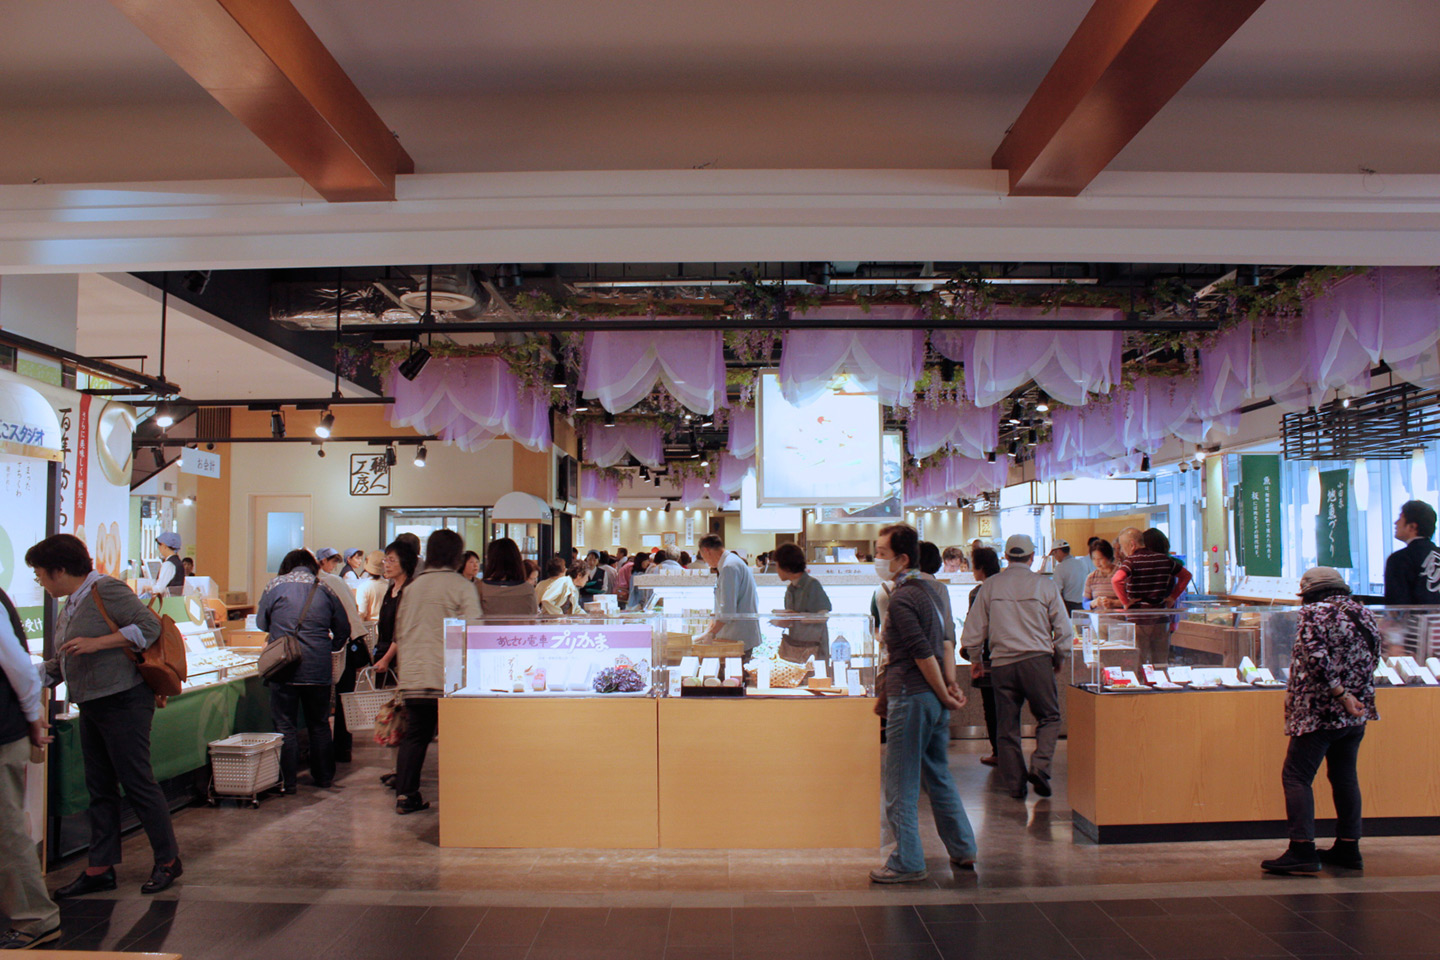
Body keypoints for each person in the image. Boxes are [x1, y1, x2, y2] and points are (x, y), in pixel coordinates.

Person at [24, 534, 180, 897]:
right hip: (93, 701)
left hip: (123, 700)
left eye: (41, 575)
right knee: (100, 787)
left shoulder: (105, 589)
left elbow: (149, 627)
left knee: (137, 781)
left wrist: (98, 643)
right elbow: (67, 656)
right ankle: (100, 867)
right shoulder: (73, 601)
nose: (40, 582)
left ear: (60, 570)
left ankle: (168, 860)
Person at [870, 523, 973, 883]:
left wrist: (946, 691)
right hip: (929, 699)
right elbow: (944, 643)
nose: (877, 560)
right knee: (937, 773)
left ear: (902, 558)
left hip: (911, 697)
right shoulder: (932, 591)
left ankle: (908, 860)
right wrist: (947, 687)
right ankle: (963, 847)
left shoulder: (901, 598)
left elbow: (919, 653)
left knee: (900, 782)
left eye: (881, 554)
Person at [1261, 567, 1380, 875]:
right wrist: (1353, 697)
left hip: (1319, 711)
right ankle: (1349, 846)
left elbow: (1315, 659)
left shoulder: (1314, 614)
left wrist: (1340, 694)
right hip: (1356, 711)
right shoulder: (1362, 612)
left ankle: (1302, 848)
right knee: (1344, 776)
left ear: (1310, 593)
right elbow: (1375, 655)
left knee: (1297, 776)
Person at [961, 534, 1070, 801]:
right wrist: (1058, 658)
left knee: (1006, 727)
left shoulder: (991, 586)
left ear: (1006, 557)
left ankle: (1016, 785)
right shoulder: (1044, 586)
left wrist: (975, 659)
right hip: (1037, 661)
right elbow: (1064, 631)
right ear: (1032, 558)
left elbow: (973, 630)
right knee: (1050, 717)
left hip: (1002, 665)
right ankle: (1041, 768)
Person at [391, 530, 482, 814]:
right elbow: (473, 630)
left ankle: (405, 795)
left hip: (415, 674)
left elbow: (401, 630)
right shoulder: (460, 586)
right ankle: (462, 791)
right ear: (457, 555)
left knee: (415, 735)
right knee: (458, 736)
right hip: (449, 675)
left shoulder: (414, 586)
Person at [256, 549, 350, 793]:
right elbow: (343, 628)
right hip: (318, 665)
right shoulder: (326, 588)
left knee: (285, 725)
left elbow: (261, 623)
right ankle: (324, 778)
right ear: (312, 566)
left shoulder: (274, 586)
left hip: (283, 666)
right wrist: (330, 647)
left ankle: (288, 782)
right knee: (318, 723)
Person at [0, 587, 60, 948]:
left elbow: (19, 665)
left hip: (3, 734)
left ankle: (37, 918)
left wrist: (31, 714)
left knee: (5, 831)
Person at [315, 547, 369, 764]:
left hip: (333, 647)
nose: (333, 565)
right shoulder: (336, 581)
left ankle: (323, 751)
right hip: (348, 643)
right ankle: (342, 749)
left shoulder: (321, 583)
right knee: (344, 698)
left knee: (324, 701)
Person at [1111, 527, 1192, 664]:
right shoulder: (1164, 560)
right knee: (1160, 662)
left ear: (1132, 544)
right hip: (1161, 618)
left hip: (1138, 620)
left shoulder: (1131, 562)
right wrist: (1172, 597)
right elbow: (1186, 575)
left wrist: (1125, 602)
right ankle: (1160, 684)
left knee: (1138, 662)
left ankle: (1141, 684)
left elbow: (1116, 579)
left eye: (1123, 547)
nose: (1123, 552)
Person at [370, 539, 418, 707]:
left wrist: (386, 658)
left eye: (392, 560)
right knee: (385, 711)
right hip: (384, 654)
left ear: (405, 563)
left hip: (399, 660)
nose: (386, 565)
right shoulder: (390, 590)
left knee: (399, 711)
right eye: (385, 560)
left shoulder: (410, 590)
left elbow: (402, 631)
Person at [967, 546, 1003, 767]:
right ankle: (1009, 750)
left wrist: (973, 656)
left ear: (980, 568)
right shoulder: (1008, 586)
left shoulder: (978, 593)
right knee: (1008, 705)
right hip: (1011, 652)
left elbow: (975, 627)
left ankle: (998, 752)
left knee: (990, 705)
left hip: (989, 654)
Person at [696, 534, 761, 651]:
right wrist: (709, 630)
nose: (705, 561)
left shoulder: (728, 567)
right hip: (737, 636)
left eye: (703, 557)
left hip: (737, 637)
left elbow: (728, 610)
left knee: (735, 669)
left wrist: (710, 634)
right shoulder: (731, 562)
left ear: (706, 551)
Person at [773, 542, 831, 660]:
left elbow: (823, 616)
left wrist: (796, 616)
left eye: (777, 565)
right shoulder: (790, 589)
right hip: (796, 648)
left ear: (787, 566)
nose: (777, 570)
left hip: (814, 650)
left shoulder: (812, 585)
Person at [1383, 500, 1440, 605]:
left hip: (1413, 621)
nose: (1395, 523)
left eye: (1400, 518)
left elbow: (1397, 608)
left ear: (1412, 527)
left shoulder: (1399, 559)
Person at [477, 538, 539, 616]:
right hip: (520, 628)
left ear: (491, 560)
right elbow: (532, 618)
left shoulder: (481, 588)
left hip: (487, 628)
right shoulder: (528, 589)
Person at [1049, 541, 1088, 615]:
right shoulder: (1082, 563)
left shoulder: (1060, 567)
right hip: (1084, 604)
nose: (1055, 557)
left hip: (1069, 606)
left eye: (1054, 554)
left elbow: (1056, 591)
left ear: (1059, 551)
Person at [1084, 539, 1122, 611]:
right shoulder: (1091, 577)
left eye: (1100, 559)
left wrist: (1113, 602)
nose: (1097, 562)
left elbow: (1129, 601)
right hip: (1098, 619)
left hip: (1118, 619)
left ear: (1109, 557)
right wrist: (1093, 603)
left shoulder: (1121, 573)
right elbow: (1084, 603)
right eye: (1094, 559)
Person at [355, 550, 389, 622]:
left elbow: (362, 612)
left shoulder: (364, 587)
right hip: (388, 626)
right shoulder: (389, 585)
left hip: (371, 628)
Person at [151, 531, 184, 597]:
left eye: (159, 545)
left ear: (164, 546)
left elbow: (159, 589)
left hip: (167, 603)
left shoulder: (168, 564)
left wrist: (147, 588)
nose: (159, 548)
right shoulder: (178, 562)